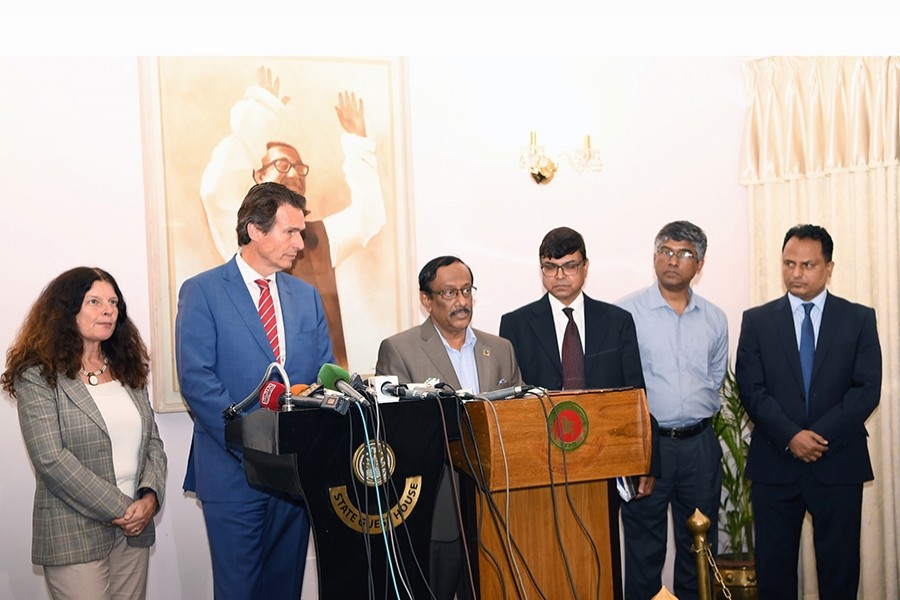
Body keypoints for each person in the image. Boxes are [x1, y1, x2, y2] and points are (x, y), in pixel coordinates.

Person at [176, 182, 334, 599]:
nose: (301, 243)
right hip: (232, 473)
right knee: (239, 591)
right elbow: (197, 379)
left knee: (285, 590)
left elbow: (321, 376)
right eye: (291, 232)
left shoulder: (307, 296)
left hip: (295, 477)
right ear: (255, 230)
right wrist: (254, 441)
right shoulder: (203, 291)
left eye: (301, 233)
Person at [498, 226, 659, 598]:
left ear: (585, 267)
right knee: (549, 558)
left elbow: (635, 393)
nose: (559, 276)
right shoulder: (516, 324)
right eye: (550, 267)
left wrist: (647, 459)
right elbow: (512, 400)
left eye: (569, 266)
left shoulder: (616, 321)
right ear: (541, 270)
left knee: (602, 560)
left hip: (604, 462)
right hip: (542, 465)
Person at [201, 66, 386, 367]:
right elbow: (215, 188)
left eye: (300, 168)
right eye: (282, 165)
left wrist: (357, 141)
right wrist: (260, 112)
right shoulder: (244, 231)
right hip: (257, 401)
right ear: (257, 176)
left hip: (320, 400)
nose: (295, 174)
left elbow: (369, 216)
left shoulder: (318, 237)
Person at [735, 224, 881, 600]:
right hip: (775, 463)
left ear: (829, 268)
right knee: (775, 574)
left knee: (840, 572)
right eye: (788, 264)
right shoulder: (757, 320)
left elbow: (866, 390)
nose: (796, 273)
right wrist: (790, 436)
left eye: (807, 265)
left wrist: (817, 437)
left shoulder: (859, 319)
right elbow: (751, 390)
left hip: (838, 462)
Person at [2, 267, 167, 600]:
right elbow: (51, 458)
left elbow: (152, 442)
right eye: (94, 301)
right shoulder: (38, 374)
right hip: (73, 531)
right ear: (66, 309)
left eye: (113, 302)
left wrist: (149, 498)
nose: (108, 310)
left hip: (134, 529)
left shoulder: (127, 366)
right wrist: (122, 508)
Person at [375, 255, 523, 600]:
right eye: (449, 293)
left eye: (467, 290)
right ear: (426, 300)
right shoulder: (399, 350)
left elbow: (517, 419)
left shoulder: (500, 349)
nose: (462, 301)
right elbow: (395, 434)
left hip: (495, 508)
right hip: (435, 508)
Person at [617, 221, 728, 600]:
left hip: (699, 445)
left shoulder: (715, 318)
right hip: (647, 447)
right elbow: (620, 385)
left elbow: (714, 379)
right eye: (665, 250)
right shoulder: (625, 314)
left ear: (699, 264)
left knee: (699, 544)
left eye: (683, 254)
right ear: (653, 257)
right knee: (644, 550)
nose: (672, 260)